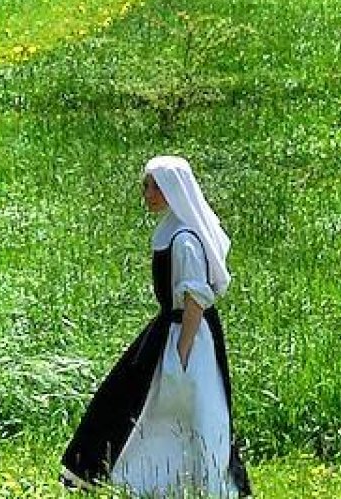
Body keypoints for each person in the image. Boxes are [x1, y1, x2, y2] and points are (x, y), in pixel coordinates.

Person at [60, 155, 251, 497]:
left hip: (188, 334)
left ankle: (207, 484)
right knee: (147, 404)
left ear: (173, 191)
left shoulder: (185, 241)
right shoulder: (171, 233)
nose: (147, 194)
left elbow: (195, 299)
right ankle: (152, 478)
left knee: (195, 408)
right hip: (171, 330)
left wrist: (182, 352)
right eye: (146, 186)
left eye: (154, 187)